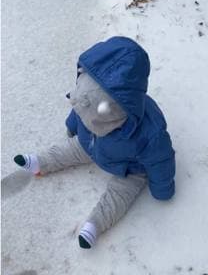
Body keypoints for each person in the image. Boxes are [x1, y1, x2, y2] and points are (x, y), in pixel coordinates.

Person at [14, 36, 176, 249]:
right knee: (69, 150)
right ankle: (40, 161)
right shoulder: (88, 97)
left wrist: (162, 189)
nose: (87, 114)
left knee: (119, 194)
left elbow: (160, 160)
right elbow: (80, 109)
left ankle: (94, 225)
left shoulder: (149, 132)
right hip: (90, 143)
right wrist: (72, 126)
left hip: (128, 167)